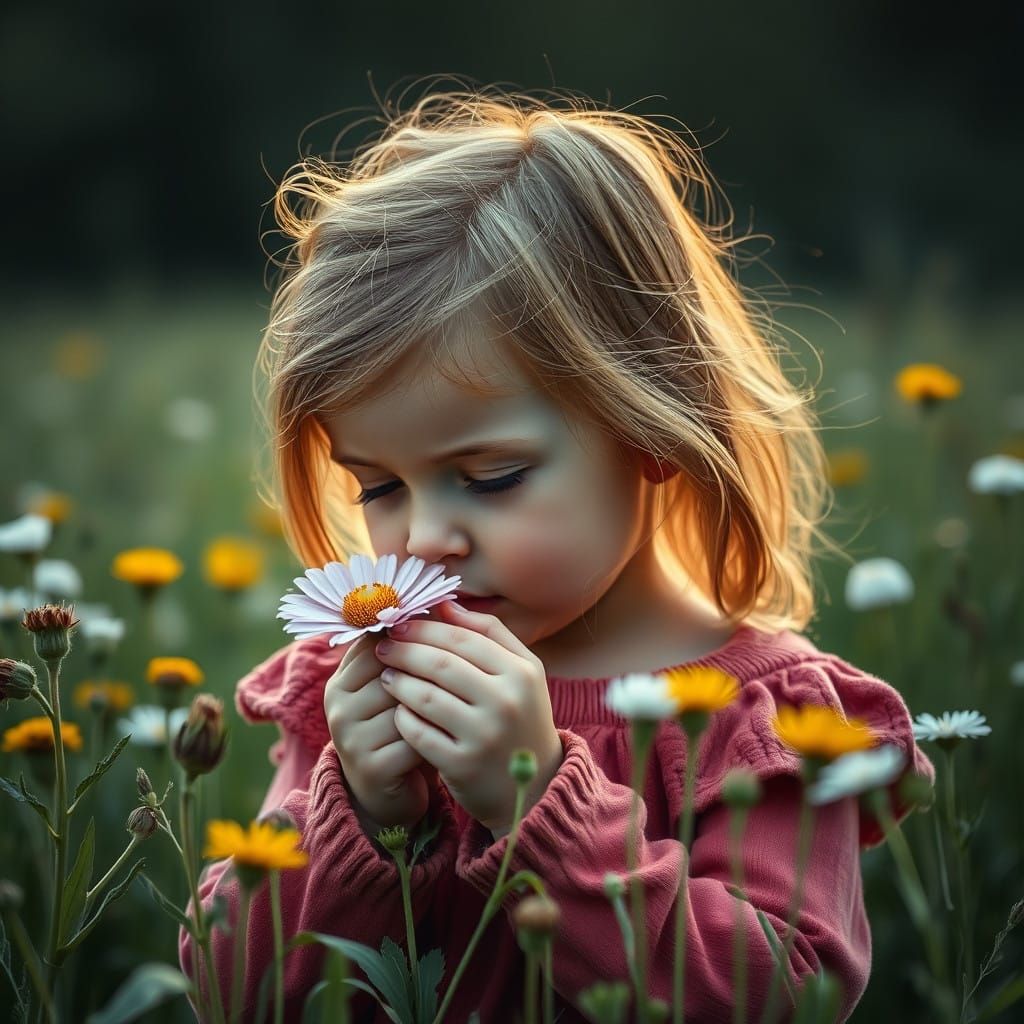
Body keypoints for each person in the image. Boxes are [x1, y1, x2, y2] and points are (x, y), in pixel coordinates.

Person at [179, 87, 935, 1022]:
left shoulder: (769, 729)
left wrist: (540, 812)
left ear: (655, 422)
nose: (420, 540)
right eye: (377, 486)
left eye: (490, 477)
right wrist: (362, 815)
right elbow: (230, 993)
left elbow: (783, 995)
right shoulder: (355, 689)